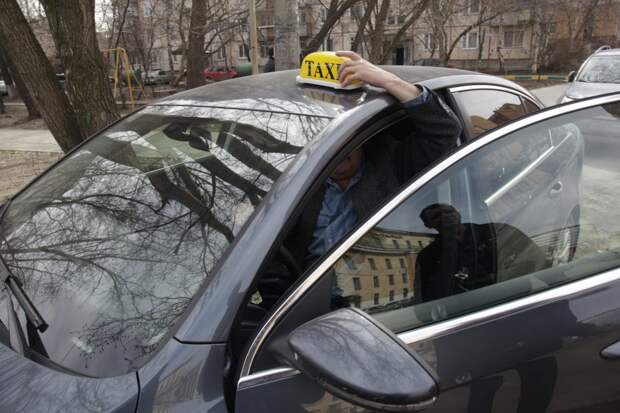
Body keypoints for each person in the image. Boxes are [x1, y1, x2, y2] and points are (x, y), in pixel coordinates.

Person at [286, 51, 463, 270]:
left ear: (362, 138)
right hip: (308, 289)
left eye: (346, 136)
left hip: (382, 284)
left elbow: (445, 130)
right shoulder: (295, 179)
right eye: (327, 135)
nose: (338, 146)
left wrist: (389, 82)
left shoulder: (392, 166)